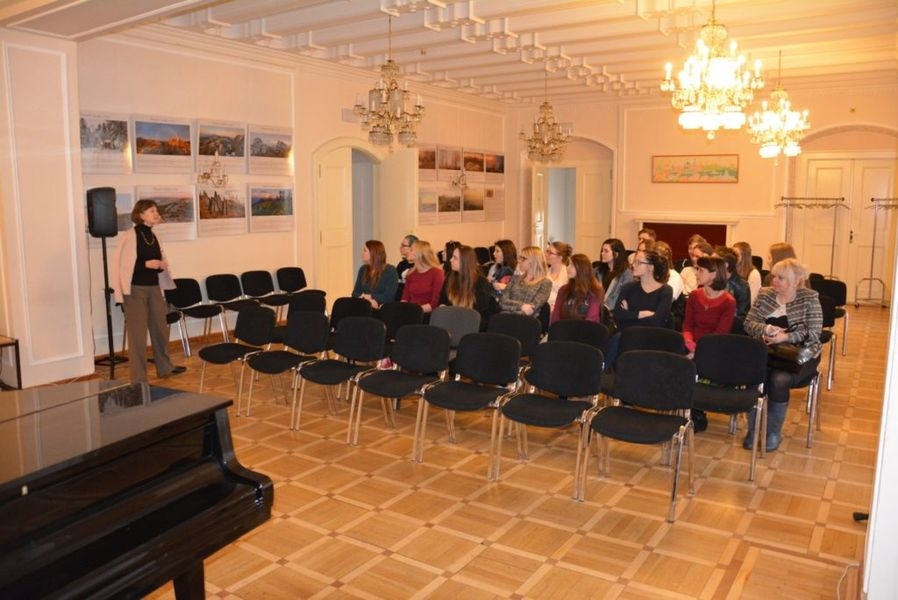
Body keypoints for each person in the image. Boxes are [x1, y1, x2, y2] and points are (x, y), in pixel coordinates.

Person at [743, 258, 822, 451]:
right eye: (774, 276)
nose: (775, 281)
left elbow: (814, 333)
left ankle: (772, 432)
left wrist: (786, 337)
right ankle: (754, 430)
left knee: (779, 380)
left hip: (800, 355)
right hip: (767, 353)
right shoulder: (764, 295)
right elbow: (748, 323)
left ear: (796, 281)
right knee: (753, 378)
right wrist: (767, 328)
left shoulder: (809, 298)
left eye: (781, 278)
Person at [111, 199, 185, 383]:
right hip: (134, 290)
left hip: (154, 288)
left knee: (160, 329)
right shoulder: (129, 236)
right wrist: (146, 264)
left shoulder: (153, 236)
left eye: (156, 210)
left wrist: (161, 265)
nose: (156, 213)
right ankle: (139, 378)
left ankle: (165, 367)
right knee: (137, 336)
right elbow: (122, 266)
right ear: (141, 214)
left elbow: (156, 262)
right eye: (152, 211)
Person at [682, 256, 736, 356]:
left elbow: (719, 335)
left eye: (701, 270)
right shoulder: (694, 295)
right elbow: (687, 326)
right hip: (690, 346)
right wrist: (690, 345)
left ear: (713, 274)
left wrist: (698, 351)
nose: (696, 273)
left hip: (713, 349)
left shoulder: (728, 302)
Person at [439, 244, 498, 328]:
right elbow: (442, 300)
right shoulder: (450, 278)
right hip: (452, 321)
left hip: (473, 325)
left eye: (455, 258)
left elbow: (479, 314)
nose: (450, 260)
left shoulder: (480, 283)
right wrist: (442, 306)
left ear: (464, 262)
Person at [550, 253, 604, 326]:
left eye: (571, 265)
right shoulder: (563, 289)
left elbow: (592, 319)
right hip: (564, 331)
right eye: (568, 264)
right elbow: (555, 317)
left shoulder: (596, 290)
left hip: (587, 333)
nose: (567, 267)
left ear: (581, 268)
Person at [499, 246, 552, 317]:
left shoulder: (545, 283)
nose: (519, 261)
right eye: (519, 258)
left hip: (527, 322)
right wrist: (521, 306)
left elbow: (531, 309)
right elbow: (502, 301)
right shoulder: (515, 279)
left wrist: (508, 309)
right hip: (505, 318)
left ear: (533, 261)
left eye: (522, 258)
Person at [352, 240, 399, 310]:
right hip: (366, 306)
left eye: (365, 250)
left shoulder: (390, 271)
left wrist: (370, 296)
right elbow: (355, 293)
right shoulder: (363, 269)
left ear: (373, 253)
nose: (362, 253)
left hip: (384, 308)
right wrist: (368, 300)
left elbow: (388, 297)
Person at [401, 240, 444, 315]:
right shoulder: (411, 273)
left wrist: (414, 311)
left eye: (411, 250)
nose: (408, 252)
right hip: (411, 312)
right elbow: (404, 298)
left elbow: (434, 303)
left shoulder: (437, 273)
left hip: (427, 314)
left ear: (419, 254)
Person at [594, 238, 633, 312]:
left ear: (616, 254)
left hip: (614, 312)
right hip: (597, 309)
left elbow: (623, 296)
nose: (602, 253)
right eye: (602, 250)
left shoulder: (626, 274)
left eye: (606, 251)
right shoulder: (597, 270)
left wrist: (604, 307)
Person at [714, 246, 750, 319]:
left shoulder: (742, 286)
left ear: (726, 265)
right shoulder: (712, 280)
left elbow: (741, 317)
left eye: (714, 262)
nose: (710, 265)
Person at [545, 241, 573, 311]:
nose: (546, 254)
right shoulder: (544, 273)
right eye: (547, 251)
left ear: (560, 257)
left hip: (562, 309)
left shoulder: (568, 273)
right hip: (545, 309)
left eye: (550, 253)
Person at [395, 234, 418, 300]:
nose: (400, 247)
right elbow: (397, 282)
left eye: (403, 245)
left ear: (413, 247)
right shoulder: (401, 264)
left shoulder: (419, 265)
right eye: (401, 245)